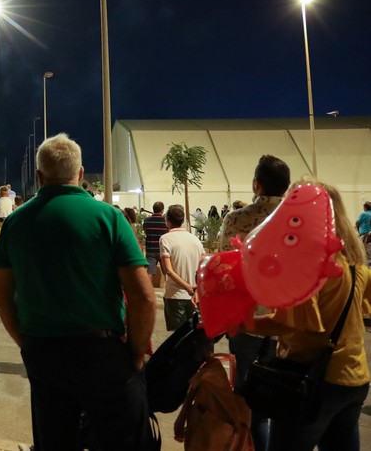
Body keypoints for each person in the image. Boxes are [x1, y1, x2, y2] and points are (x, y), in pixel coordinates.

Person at [0, 133, 154, 451]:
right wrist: (134, 355)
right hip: (102, 353)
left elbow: (0, 295)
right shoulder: (108, 217)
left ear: (39, 177)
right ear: (80, 174)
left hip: (43, 353)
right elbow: (143, 296)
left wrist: (26, 343)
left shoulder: (16, 223)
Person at [246, 178, 371, 451]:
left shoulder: (308, 270)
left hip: (312, 381)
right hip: (355, 379)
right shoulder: (355, 265)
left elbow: (284, 324)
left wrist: (242, 323)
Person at [218, 153, 291, 449]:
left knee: (251, 400)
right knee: (285, 396)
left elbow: (223, 263)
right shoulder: (297, 221)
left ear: (257, 184)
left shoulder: (237, 219)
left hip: (247, 319)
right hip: (289, 322)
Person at [158, 204, 205, 331]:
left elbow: (168, 270)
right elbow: (204, 266)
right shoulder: (195, 240)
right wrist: (195, 288)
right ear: (183, 220)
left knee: (177, 338)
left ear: (167, 220)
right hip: (194, 295)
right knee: (192, 336)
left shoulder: (165, 239)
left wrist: (186, 287)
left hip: (174, 295)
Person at [142, 201, 167, 286]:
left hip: (150, 249)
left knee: (150, 272)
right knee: (167, 272)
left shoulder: (147, 220)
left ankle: (148, 291)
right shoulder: (165, 221)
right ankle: (168, 290)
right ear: (162, 210)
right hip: (163, 250)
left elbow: (146, 232)